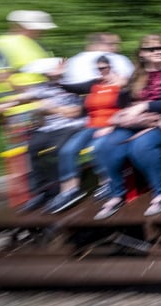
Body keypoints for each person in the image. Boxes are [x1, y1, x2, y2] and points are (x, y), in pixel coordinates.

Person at [93, 34, 161, 219]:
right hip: (134, 122)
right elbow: (123, 102)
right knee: (106, 145)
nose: (159, 51)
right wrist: (119, 91)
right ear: (142, 54)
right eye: (153, 49)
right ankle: (117, 193)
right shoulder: (137, 74)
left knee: (141, 146)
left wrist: (145, 105)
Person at [0, 57, 86, 212]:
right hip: (49, 128)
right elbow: (23, 98)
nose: (47, 75)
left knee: (57, 150)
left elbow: (74, 112)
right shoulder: (43, 87)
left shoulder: (72, 86)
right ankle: (40, 191)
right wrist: (4, 104)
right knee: (32, 149)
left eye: (50, 71)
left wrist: (51, 109)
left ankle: (64, 188)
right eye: (45, 73)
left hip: (70, 126)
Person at [46, 55, 122, 214]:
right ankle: (69, 190)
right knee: (67, 149)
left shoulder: (121, 84)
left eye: (104, 68)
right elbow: (69, 88)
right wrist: (57, 78)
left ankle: (107, 183)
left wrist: (113, 124)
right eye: (98, 69)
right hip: (92, 125)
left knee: (98, 147)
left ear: (111, 67)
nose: (101, 72)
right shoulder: (94, 84)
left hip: (112, 125)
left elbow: (128, 105)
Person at [61, 32, 134, 87]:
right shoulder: (117, 58)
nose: (117, 48)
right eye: (111, 44)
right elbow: (132, 78)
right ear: (95, 44)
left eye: (117, 45)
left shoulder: (72, 60)